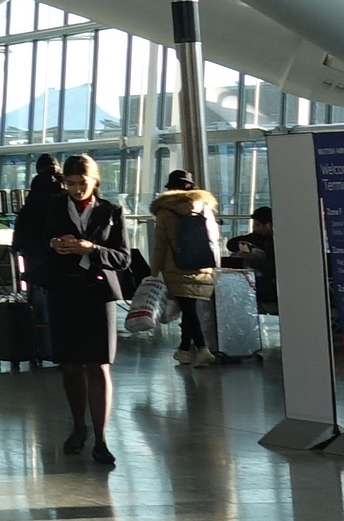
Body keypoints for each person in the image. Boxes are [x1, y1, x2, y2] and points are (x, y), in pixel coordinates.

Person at [19, 151, 131, 462]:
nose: (76, 189)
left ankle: (101, 436)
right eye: (70, 183)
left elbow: (123, 257)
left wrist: (91, 249)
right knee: (69, 365)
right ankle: (78, 426)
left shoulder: (111, 211)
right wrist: (53, 245)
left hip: (97, 293)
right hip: (64, 290)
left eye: (81, 183)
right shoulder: (53, 206)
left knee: (98, 365)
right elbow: (34, 241)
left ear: (94, 181)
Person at [149, 170, 224, 366]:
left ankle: (201, 349)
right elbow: (214, 239)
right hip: (203, 265)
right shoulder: (205, 208)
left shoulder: (164, 211)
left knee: (189, 311)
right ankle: (183, 350)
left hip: (176, 266)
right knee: (189, 308)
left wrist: (154, 272)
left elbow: (160, 244)